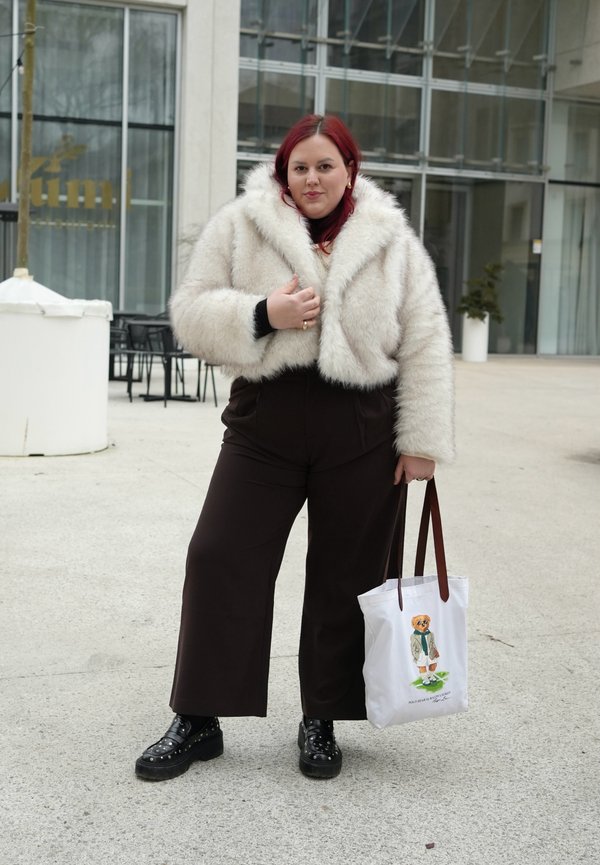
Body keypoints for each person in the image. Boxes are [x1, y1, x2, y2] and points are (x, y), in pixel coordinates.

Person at [135, 114, 455, 782]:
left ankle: (322, 716)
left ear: (350, 170)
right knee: (219, 553)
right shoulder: (241, 225)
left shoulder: (391, 240)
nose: (312, 178)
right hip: (264, 422)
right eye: (299, 167)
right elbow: (191, 312)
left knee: (346, 573)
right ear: (283, 172)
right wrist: (262, 315)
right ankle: (198, 717)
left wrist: (420, 440)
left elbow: (425, 336)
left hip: (362, 428)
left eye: (325, 165)